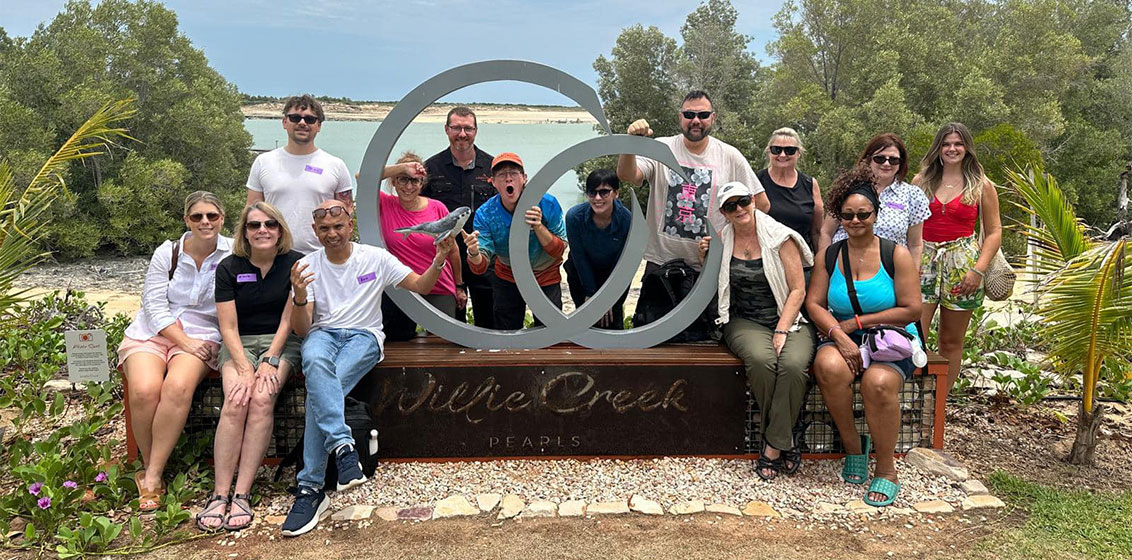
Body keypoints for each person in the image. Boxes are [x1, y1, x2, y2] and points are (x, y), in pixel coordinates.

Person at [281, 200, 455, 537]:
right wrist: (299, 297)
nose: (332, 234)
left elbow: (421, 286)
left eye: (338, 226)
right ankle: (343, 449)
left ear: (351, 225)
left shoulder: (375, 258)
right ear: (315, 231)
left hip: (364, 336)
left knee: (321, 390)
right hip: (322, 334)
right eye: (325, 229)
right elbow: (302, 329)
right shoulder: (306, 266)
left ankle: (310, 488)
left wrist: (439, 259)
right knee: (314, 361)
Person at [806, 166, 922, 507]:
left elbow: (912, 309)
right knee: (828, 366)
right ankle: (854, 447)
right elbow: (814, 303)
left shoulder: (895, 254)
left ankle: (886, 469)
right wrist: (838, 334)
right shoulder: (830, 255)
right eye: (848, 215)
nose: (855, 221)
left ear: (875, 214)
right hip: (843, 333)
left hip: (889, 337)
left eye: (863, 214)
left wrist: (857, 322)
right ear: (839, 217)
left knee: (878, 384)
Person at [118, 191, 232, 512]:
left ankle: (152, 475)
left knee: (177, 387)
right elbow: (153, 305)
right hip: (154, 331)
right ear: (187, 220)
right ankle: (152, 465)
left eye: (211, 216)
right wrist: (182, 341)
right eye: (197, 216)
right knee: (144, 390)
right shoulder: (167, 253)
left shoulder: (233, 254)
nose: (205, 222)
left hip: (202, 332)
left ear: (222, 219)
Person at [197, 202, 303, 531]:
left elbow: (288, 320)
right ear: (244, 231)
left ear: (280, 229)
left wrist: (270, 360)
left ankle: (242, 493)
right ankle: (219, 494)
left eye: (270, 224)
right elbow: (227, 326)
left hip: (281, 342)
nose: (262, 230)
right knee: (236, 400)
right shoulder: (229, 268)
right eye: (254, 225)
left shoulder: (295, 263)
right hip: (238, 343)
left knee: (261, 399)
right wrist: (244, 367)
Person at [698, 182, 815, 480]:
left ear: (753, 200)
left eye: (743, 201)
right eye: (730, 206)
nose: (739, 209)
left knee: (792, 364)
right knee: (763, 362)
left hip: (787, 317)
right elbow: (714, 284)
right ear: (724, 213)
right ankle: (787, 437)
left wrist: (782, 329)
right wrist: (705, 258)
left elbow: (798, 290)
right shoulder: (722, 241)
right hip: (744, 320)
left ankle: (773, 444)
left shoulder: (780, 237)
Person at [617, 90, 770, 273]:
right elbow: (627, 175)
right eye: (689, 114)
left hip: (710, 266)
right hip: (660, 264)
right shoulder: (661, 148)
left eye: (703, 115)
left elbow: (761, 204)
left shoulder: (730, 156)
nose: (696, 120)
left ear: (713, 117)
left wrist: (728, 236)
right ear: (680, 117)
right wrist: (630, 143)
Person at [914, 122, 1002, 394]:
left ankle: (940, 401)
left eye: (958, 144)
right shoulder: (921, 182)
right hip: (923, 262)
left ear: (967, 148)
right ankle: (911, 395)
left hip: (963, 266)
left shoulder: (982, 185)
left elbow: (994, 231)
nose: (952, 149)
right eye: (946, 144)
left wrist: (978, 270)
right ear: (938, 148)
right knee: (914, 336)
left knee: (951, 341)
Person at [465, 152, 567, 330]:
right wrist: (473, 253)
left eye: (513, 173)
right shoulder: (485, 213)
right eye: (502, 175)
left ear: (524, 178)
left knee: (550, 330)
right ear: (493, 182)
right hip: (507, 276)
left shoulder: (547, 203)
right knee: (506, 331)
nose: (508, 179)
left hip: (546, 275)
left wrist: (538, 227)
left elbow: (559, 251)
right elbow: (480, 267)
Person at [246, 94, 352, 254]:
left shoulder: (336, 165)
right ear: (284, 122)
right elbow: (251, 211)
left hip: (322, 255)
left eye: (310, 119)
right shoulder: (263, 162)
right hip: (274, 255)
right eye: (295, 118)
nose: (302, 123)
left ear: (319, 126)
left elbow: (347, 213)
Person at [422, 107, 497, 327]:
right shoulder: (431, 168)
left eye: (467, 128)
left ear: (476, 131)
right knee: (450, 325)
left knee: (489, 322)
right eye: (456, 128)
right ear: (446, 129)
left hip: (484, 256)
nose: (462, 134)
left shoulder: (492, 167)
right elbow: (419, 210)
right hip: (444, 257)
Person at [378, 151, 464, 340]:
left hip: (439, 288)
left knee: (443, 345)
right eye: (403, 179)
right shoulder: (385, 204)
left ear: (422, 183)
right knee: (398, 343)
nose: (409, 186)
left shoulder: (437, 208)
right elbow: (364, 178)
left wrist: (459, 286)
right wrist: (402, 168)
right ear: (393, 181)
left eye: (415, 180)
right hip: (401, 288)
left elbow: (453, 250)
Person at [819, 133, 930, 264]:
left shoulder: (913, 195)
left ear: (901, 163)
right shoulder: (848, 188)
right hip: (844, 266)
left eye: (893, 160)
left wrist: (913, 273)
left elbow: (915, 244)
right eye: (880, 159)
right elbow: (826, 232)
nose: (886, 164)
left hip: (890, 269)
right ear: (868, 159)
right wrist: (826, 266)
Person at [564, 169, 631, 329]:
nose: (598, 198)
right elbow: (579, 258)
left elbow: (622, 262)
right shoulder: (574, 217)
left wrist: (607, 298)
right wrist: (591, 292)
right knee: (586, 324)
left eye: (604, 192)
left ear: (616, 193)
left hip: (614, 275)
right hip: (581, 274)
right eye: (592, 192)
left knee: (613, 323)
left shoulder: (627, 220)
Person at [756, 127, 824, 252]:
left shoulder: (810, 184)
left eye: (789, 150)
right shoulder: (756, 182)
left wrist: (821, 259)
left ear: (799, 153)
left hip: (802, 257)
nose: (782, 155)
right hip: (766, 257)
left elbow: (817, 231)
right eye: (776, 150)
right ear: (769, 152)